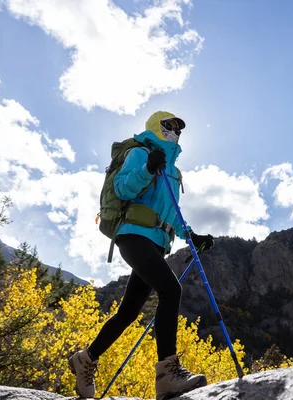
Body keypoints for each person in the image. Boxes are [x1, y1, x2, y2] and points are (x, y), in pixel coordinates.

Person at [68, 111, 215, 400]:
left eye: (178, 129)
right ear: (154, 127)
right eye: (169, 125)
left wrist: (191, 236)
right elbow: (123, 188)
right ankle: (167, 374)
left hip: (157, 243)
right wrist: (147, 168)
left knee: (129, 312)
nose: (175, 131)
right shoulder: (139, 153)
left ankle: (85, 359)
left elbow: (171, 210)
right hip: (133, 235)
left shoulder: (173, 171)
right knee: (171, 289)